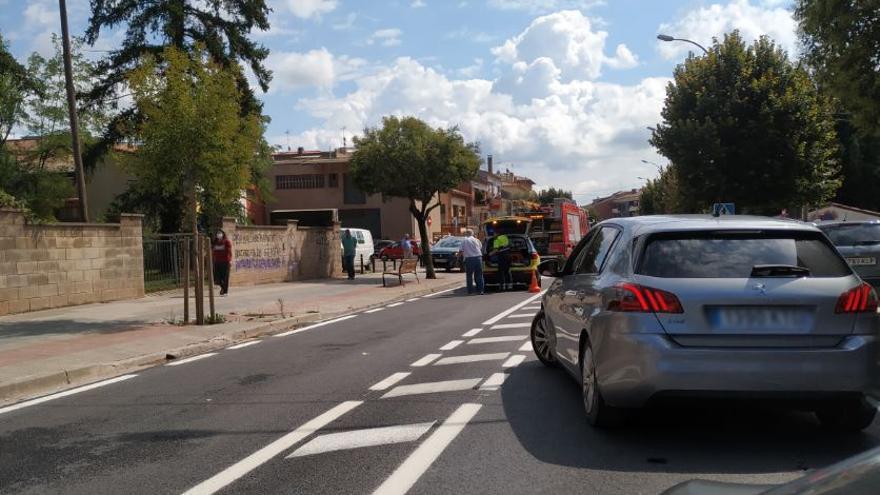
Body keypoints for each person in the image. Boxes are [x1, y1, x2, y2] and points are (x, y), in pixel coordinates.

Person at [461, 229, 484, 295]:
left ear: (466, 233)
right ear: (472, 234)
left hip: (469, 258)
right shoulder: (477, 240)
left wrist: (458, 257)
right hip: (478, 258)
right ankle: (480, 290)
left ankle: (470, 291)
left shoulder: (464, 240)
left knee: (469, 275)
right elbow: (480, 247)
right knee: (479, 275)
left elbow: (461, 250)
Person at [212, 229, 232, 296]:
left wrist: (230, 260)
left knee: (225, 277)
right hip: (217, 262)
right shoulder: (215, 242)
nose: (219, 234)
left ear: (223, 234)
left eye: (220, 233)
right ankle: (223, 288)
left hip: (225, 262)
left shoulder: (227, 242)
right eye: (218, 233)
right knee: (217, 277)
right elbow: (213, 251)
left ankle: (225, 292)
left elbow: (229, 252)